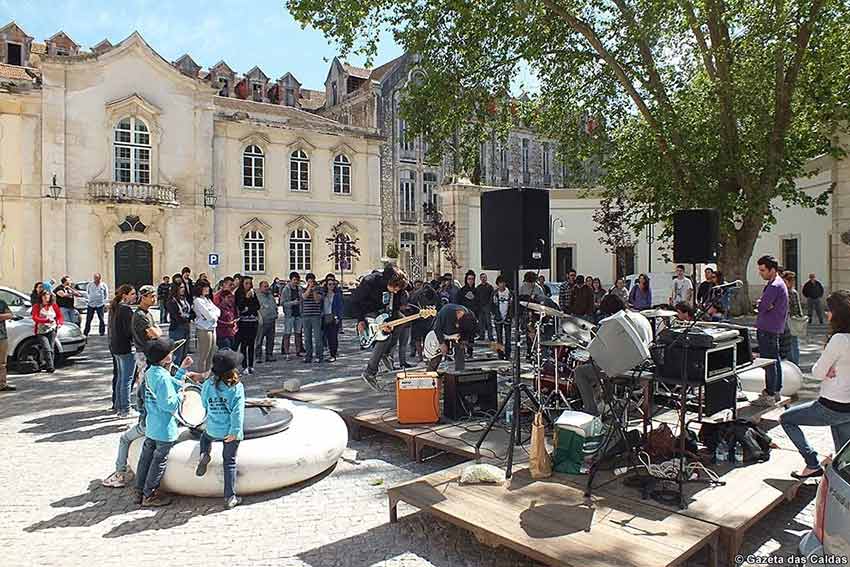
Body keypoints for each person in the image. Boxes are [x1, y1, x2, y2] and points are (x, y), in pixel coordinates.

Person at [780, 290, 850, 480]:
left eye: (829, 310)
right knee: (844, 455)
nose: (827, 314)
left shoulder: (839, 340)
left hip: (830, 405)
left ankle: (812, 463)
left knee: (786, 419)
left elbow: (817, 372)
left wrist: (828, 369)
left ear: (838, 314)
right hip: (847, 406)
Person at [134, 338, 202, 507]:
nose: (172, 353)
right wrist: (181, 397)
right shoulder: (163, 378)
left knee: (145, 458)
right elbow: (169, 404)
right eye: (169, 353)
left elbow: (172, 383)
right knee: (159, 461)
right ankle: (149, 495)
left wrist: (183, 370)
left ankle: (139, 490)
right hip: (164, 428)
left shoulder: (152, 372)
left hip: (152, 425)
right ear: (164, 357)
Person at [196, 349, 246, 508]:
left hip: (212, 428)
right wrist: (235, 431)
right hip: (229, 431)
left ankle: (204, 453)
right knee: (229, 462)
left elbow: (204, 404)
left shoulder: (208, 384)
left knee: (205, 437)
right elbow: (238, 412)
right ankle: (230, 497)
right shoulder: (236, 387)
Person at [350, 265, 410, 390]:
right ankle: (370, 372)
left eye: (398, 290)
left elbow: (395, 307)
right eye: (394, 288)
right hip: (368, 312)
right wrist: (360, 320)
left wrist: (391, 323)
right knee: (384, 337)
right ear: (389, 281)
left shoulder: (397, 290)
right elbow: (355, 301)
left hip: (384, 313)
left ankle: (386, 353)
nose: (395, 291)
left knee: (402, 320)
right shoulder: (370, 282)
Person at [752, 255, 789, 407]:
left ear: (772, 270)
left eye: (763, 270)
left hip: (768, 329)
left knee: (769, 362)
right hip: (772, 328)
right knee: (774, 360)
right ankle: (776, 391)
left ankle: (770, 394)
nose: (761, 273)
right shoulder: (777, 283)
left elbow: (762, 306)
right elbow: (765, 305)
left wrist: (761, 304)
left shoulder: (774, 286)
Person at [423, 303, 478, 371]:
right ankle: (430, 375)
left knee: (460, 354)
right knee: (436, 358)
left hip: (457, 336)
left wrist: (465, 340)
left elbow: (470, 331)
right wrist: (442, 343)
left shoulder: (471, 318)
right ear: (458, 314)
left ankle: (459, 374)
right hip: (442, 333)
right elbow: (437, 328)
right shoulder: (446, 311)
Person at [109, 285, 137, 417]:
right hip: (125, 348)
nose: (135, 296)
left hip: (116, 347)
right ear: (124, 295)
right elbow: (129, 331)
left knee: (121, 378)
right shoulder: (125, 310)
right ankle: (125, 408)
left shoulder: (115, 307)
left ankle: (119, 406)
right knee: (127, 379)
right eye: (132, 294)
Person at [131, 285, 162, 380]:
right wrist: (156, 331)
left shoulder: (147, 313)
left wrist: (156, 331)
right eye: (151, 296)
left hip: (150, 353)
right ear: (143, 297)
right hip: (143, 353)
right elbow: (155, 334)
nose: (154, 299)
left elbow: (158, 331)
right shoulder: (140, 315)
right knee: (145, 382)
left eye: (155, 296)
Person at [31, 290, 63, 373]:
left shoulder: (54, 306)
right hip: (41, 331)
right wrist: (46, 320)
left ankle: (50, 366)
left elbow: (59, 316)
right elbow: (35, 317)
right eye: (44, 296)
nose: (46, 298)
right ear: (41, 297)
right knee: (46, 348)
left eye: (47, 296)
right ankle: (50, 366)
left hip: (52, 329)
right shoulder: (37, 306)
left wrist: (59, 323)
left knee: (51, 348)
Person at [192, 281, 220, 373]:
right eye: (205, 287)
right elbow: (208, 315)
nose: (207, 289)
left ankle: (207, 375)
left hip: (212, 327)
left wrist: (213, 316)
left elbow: (218, 311)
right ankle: (201, 377)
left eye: (208, 287)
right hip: (204, 329)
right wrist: (213, 316)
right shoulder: (197, 301)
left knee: (211, 355)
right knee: (204, 355)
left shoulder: (207, 299)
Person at [234, 276, 260, 374]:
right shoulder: (239, 293)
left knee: (251, 344)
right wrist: (246, 298)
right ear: (242, 284)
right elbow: (240, 307)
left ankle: (251, 365)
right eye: (246, 283)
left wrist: (248, 308)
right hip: (243, 322)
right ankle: (244, 366)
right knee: (244, 344)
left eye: (250, 283)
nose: (248, 285)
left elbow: (257, 306)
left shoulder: (253, 292)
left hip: (253, 321)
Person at [410, 281, 439, 360]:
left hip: (421, 320)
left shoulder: (416, 294)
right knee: (424, 339)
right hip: (426, 320)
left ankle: (421, 356)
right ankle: (425, 355)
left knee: (419, 339)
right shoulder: (434, 294)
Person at [165, 283, 192, 367]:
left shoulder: (184, 299)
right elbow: (177, 317)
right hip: (177, 329)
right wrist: (188, 317)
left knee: (184, 354)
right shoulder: (171, 301)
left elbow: (191, 313)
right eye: (181, 287)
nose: (183, 289)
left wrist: (189, 316)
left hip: (186, 328)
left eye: (183, 287)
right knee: (177, 355)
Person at [780, 271, 804, 365]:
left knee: (791, 343)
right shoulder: (791, 292)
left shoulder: (790, 292)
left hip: (789, 320)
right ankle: (793, 363)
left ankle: (793, 363)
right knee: (792, 343)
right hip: (790, 320)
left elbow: (796, 307)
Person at [280, 271, 304, 360]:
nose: (296, 282)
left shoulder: (300, 289)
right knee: (287, 334)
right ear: (290, 280)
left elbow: (302, 300)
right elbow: (282, 302)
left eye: (297, 280)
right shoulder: (286, 289)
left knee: (298, 333)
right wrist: (292, 303)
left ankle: (298, 351)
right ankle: (287, 353)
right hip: (289, 315)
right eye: (294, 280)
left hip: (299, 314)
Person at [301, 273, 324, 364]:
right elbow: (304, 297)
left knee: (317, 337)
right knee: (307, 337)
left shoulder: (319, 289)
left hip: (316, 315)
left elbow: (317, 300)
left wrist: (314, 290)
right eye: (309, 281)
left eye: (312, 281)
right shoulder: (303, 288)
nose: (311, 282)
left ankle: (319, 356)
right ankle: (308, 356)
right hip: (306, 315)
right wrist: (309, 288)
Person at [322, 275, 344, 362]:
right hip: (324, 316)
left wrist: (338, 317)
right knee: (325, 336)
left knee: (333, 337)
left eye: (333, 284)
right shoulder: (323, 294)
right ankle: (326, 351)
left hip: (333, 317)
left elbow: (340, 307)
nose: (331, 286)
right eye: (329, 284)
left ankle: (333, 354)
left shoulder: (337, 295)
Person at [457, 270, 478, 358]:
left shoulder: (476, 291)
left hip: (472, 317)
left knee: (471, 337)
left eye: (472, 279)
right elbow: (458, 303)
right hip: (463, 317)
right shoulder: (462, 291)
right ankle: (462, 352)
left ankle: (470, 352)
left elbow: (478, 303)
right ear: (466, 280)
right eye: (469, 279)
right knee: (462, 336)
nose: (470, 281)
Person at [213, 276, 238, 350]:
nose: (232, 287)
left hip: (231, 331)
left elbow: (234, 311)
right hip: (221, 331)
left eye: (233, 285)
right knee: (225, 350)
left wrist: (235, 322)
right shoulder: (217, 297)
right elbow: (216, 316)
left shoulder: (232, 296)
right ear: (224, 284)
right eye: (230, 285)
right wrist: (228, 323)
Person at [256, 280, 278, 363]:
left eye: (267, 286)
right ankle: (258, 356)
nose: (267, 288)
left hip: (271, 320)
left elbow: (274, 305)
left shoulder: (270, 295)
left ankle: (269, 355)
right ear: (260, 287)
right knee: (259, 340)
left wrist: (276, 313)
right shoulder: (257, 296)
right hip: (262, 322)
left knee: (271, 340)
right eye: (265, 286)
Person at [492, 275, 513, 360]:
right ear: (497, 284)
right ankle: (500, 354)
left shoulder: (510, 293)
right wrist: (495, 314)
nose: (502, 285)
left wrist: (510, 316)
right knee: (499, 337)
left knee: (508, 337)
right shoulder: (495, 294)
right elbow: (492, 305)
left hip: (507, 317)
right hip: (498, 318)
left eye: (503, 283)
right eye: (500, 283)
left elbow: (513, 306)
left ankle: (508, 354)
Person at [0, 293, 14, 392]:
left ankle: (2, 384)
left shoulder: (1, 303)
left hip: (2, 337)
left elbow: (10, 315)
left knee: (2, 363)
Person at [475, 273, 495, 342]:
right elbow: (476, 297)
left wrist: (489, 306)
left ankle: (490, 336)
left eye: (484, 277)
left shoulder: (490, 287)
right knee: (481, 323)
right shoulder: (478, 287)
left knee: (489, 323)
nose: (483, 279)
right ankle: (481, 336)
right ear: (480, 279)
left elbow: (492, 297)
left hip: (487, 307)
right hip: (480, 307)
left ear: (486, 278)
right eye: (482, 277)